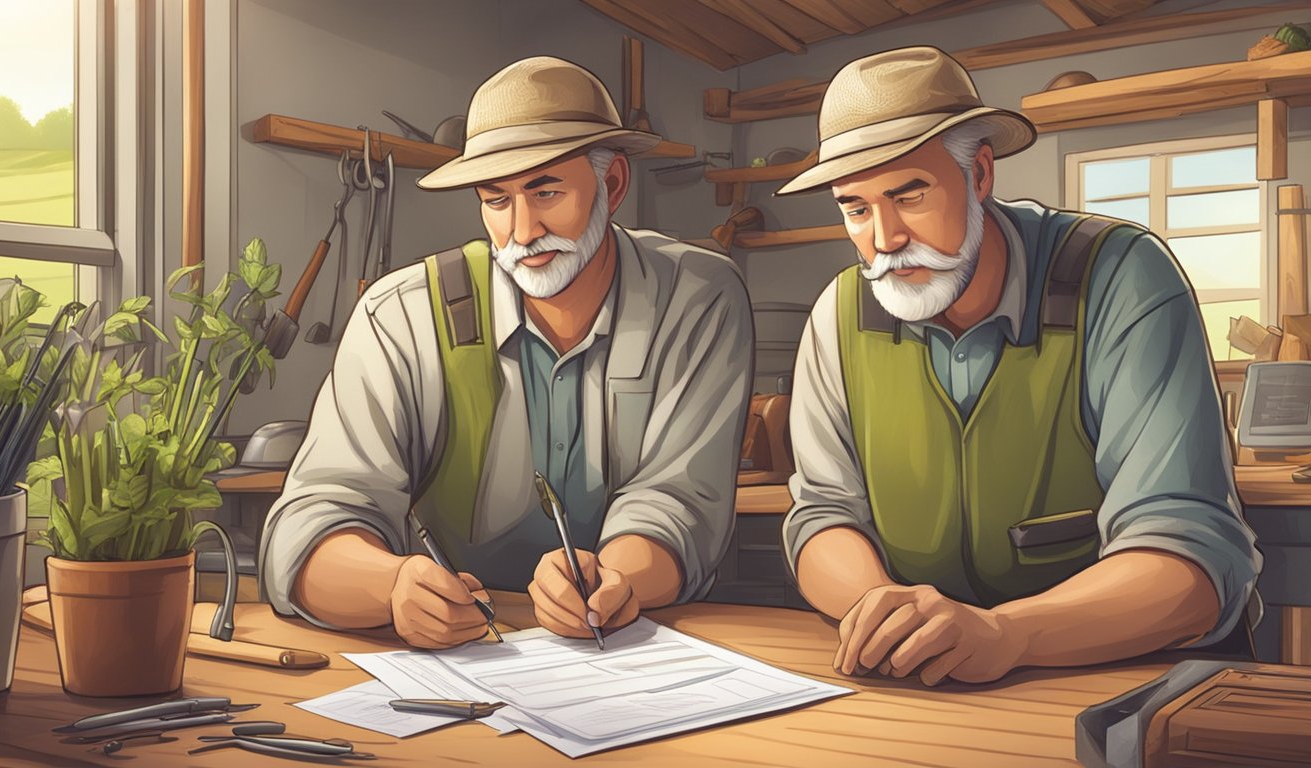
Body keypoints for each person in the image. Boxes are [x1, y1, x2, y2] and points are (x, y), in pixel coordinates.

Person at [777, 46, 1261, 686]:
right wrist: (877, 609)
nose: (886, 239)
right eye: (857, 208)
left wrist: (1008, 632)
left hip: (1133, 679)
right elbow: (822, 516)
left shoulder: (1119, 278)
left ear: (979, 175)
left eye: (910, 195)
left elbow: (1188, 558)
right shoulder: (839, 316)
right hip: (931, 684)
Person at [259, 56, 753, 649]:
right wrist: (390, 587)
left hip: (631, 654)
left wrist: (617, 579)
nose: (522, 232)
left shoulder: (697, 297)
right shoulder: (403, 315)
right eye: (497, 201)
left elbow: (681, 502)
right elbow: (310, 523)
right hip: (458, 666)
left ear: (613, 184)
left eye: (546, 192)